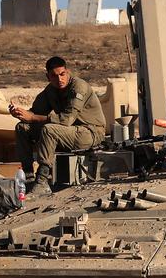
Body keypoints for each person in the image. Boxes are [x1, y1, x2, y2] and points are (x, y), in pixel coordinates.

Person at [11, 56, 106, 195]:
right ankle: (28, 176)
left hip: (90, 132)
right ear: (48, 77)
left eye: (62, 74)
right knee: (22, 127)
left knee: (49, 130)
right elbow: (35, 112)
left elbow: (67, 120)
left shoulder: (79, 87)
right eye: (54, 76)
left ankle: (42, 180)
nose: (59, 79)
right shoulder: (51, 90)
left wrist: (32, 117)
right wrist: (20, 113)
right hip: (67, 132)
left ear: (67, 72)